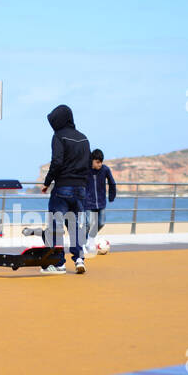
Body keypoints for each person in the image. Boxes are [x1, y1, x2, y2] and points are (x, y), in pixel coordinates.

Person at [39, 104, 91, 274]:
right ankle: (79, 259)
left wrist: (47, 182)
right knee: (75, 225)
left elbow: (57, 162)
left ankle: (58, 263)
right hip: (80, 189)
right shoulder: (84, 138)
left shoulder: (58, 136)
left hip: (63, 188)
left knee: (56, 225)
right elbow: (88, 166)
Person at [82, 148, 117, 254]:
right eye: (97, 162)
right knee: (87, 224)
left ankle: (90, 239)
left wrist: (111, 196)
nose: (100, 164)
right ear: (92, 160)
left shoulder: (105, 169)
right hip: (88, 202)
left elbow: (112, 183)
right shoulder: (86, 170)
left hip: (101, 202)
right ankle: (83, 243)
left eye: (101, 162)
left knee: (101, 223)